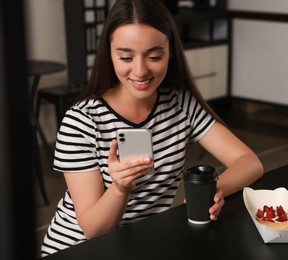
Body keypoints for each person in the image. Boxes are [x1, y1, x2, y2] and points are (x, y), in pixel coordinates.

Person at [40, 0, 264, 256]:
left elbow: (249, 162)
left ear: (171, 52)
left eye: (155, 56)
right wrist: (120, 188)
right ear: (109, 54)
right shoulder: (82, 120)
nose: (140, 70)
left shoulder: (180, 104)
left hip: (144, 244)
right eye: (125, 57)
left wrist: (214, 190)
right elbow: (93, 230)